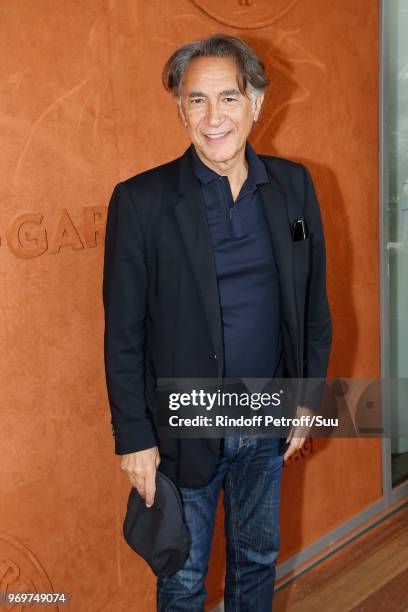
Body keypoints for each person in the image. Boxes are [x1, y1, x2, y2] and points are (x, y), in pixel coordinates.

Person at [102, 33, 332, 611]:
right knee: (182, 577)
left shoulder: (293, 187)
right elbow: (123, 333)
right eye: (196, 100)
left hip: (265, 412)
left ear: (255, 103)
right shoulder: (141, 201)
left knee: (257, 561)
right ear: (179, 108)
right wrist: (134, 438)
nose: (213, 117)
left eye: (228, 97)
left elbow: (313, 305)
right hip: (184, 423)